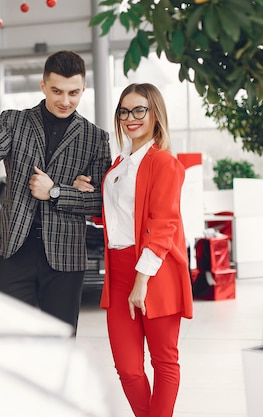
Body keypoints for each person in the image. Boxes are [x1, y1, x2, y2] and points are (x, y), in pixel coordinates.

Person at [0, 50, 111, 331]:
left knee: (60, 343)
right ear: (43, 86)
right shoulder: (14, 121)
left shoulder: (95, 138)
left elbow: (100, 203)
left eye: (74, 92)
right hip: (15, 250)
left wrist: (56, 192)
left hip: (65, 255)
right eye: (57, 90)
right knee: (11, 337)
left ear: (84, 89)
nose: (65, 100)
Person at [76, 83, 193, 416]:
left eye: (139, 110)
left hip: (154, 272)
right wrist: (91, 193)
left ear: (155, 114)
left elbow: (163, 223)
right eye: (124, 111)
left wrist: (142, 278)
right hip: (118, 270)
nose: (131, 118)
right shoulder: (119, 165)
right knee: (128, 368)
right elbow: (121, 215)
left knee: (164, 360)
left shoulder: (164, 163)